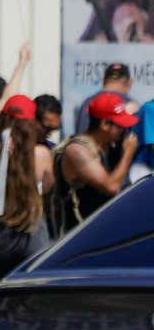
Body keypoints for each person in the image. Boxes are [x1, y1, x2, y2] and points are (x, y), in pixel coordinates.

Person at [51, 91, 139, 234]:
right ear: (105, 125)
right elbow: (111, 187)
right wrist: (128, 153)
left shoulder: (106, 146)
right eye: (120, 126)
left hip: (96, 231)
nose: (124, 131)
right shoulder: (78, 151)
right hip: (75, 237)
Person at [0, 118, 49, 282]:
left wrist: (1, 155)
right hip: (32, 229)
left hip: (3, 232)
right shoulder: (42, 154)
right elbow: (49, 184)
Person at [73, 62, 132, 135]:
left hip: (86, 145)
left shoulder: (88, 102)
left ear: (103, 80)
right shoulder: (131, 105)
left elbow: (80, 136)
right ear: (129, 83)